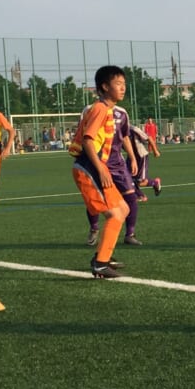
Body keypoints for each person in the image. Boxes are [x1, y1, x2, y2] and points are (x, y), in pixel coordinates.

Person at [70, 65, 130, 278]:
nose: (123, 88)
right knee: (114, 214)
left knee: (123, 209)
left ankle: (103, 255)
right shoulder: (100, 109)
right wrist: (100, 169)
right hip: (88, 167)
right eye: (118, 84)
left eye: (124, 84)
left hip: (95, 166)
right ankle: (100, 264)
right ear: (105, 87)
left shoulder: (108, 109)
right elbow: (88, 140)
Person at [85, 102, 144, 248]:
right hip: (98, 161)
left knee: (131, 197)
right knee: (95, 199)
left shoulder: (122, 113)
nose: (122, 90)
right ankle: (94, 228)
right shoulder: (90, 110)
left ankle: (130, 234)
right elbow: (85, 137)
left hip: (117, 163)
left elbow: (125, 137)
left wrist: (133, 158)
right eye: (118, 88)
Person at [130, 123, 162, 201]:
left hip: (141, 156)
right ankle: (140, 196)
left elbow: (148, 138)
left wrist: (155, 151)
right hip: (131, 157)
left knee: (140, 182)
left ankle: (154, 183)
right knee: (127, 179)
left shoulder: (133, 129)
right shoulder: (116, 130)